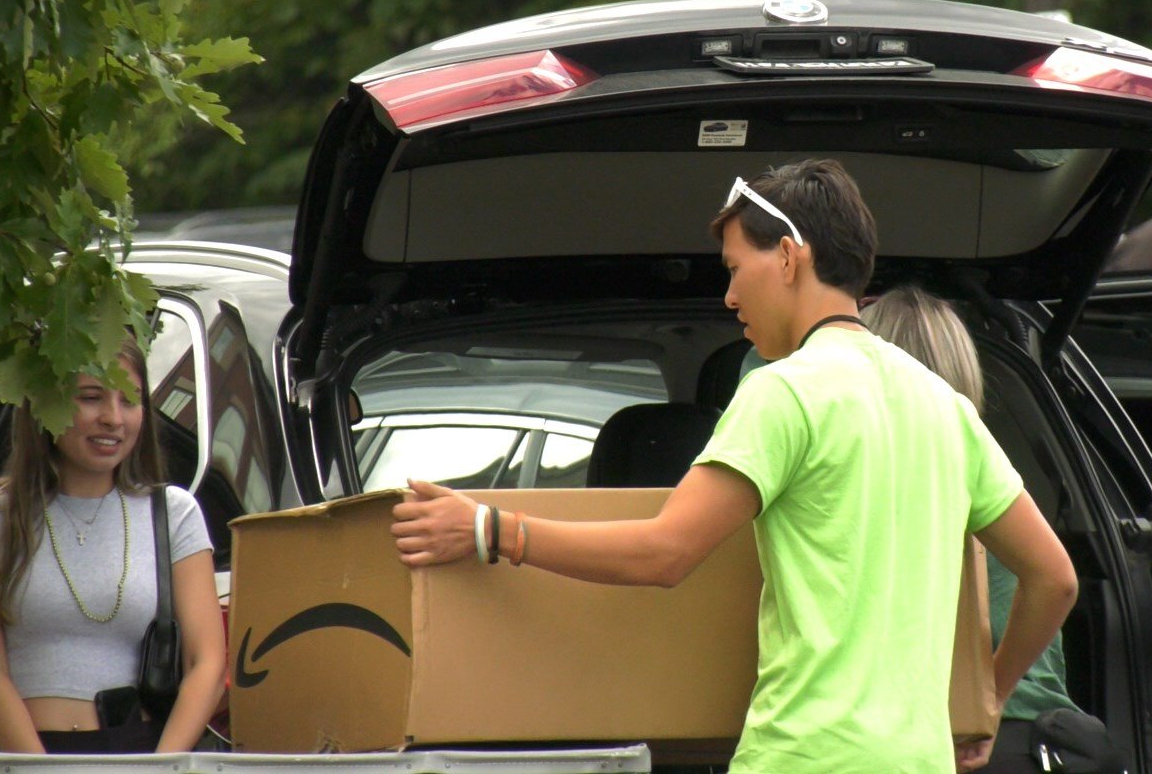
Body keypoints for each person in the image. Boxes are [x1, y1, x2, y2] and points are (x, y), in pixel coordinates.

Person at [391, 158, 1078, 773]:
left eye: (732, 268)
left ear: (786, 257)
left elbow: (665, 553)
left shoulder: (783, 391)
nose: (727, 297)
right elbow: (1054, 577)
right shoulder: (943, 405)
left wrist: (489, 530)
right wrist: (986, 699)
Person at [862, 286, 1119, 774]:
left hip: (966, 739)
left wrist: (985, 700)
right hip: (1031, 739)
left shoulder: (891, 474)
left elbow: (1055, 580)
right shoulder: (988, 468)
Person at [0, 336, 226, 753]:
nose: (113, 418)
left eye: (129, 400)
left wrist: (161, 768)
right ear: (45, 403)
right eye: (91, 398)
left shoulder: (174, 512)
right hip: (22, 755)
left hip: (141, 754)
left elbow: (208, 665)